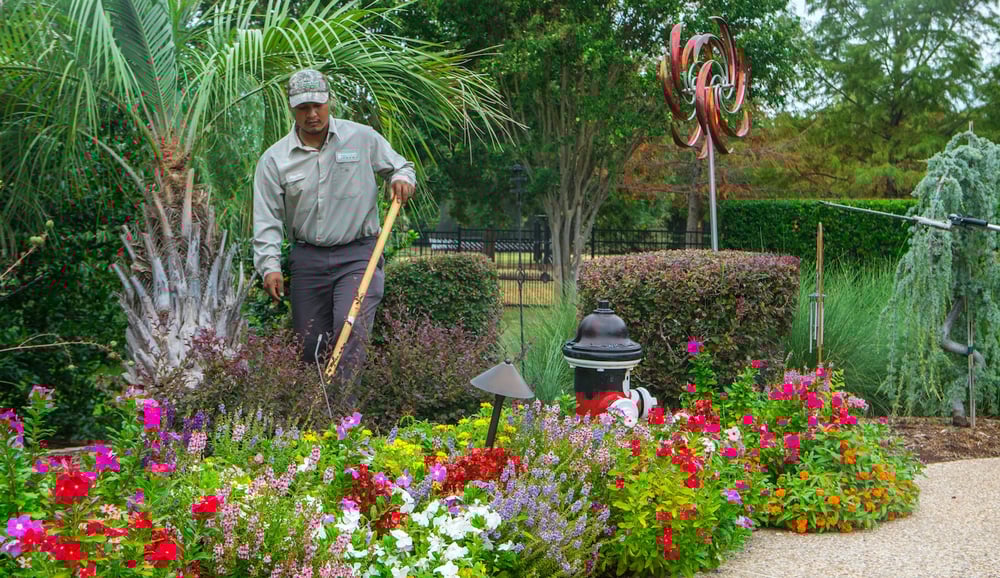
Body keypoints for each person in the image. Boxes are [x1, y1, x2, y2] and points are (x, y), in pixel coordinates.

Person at [252, 68, 415, 382]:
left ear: (329, 102)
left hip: (358, 255)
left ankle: (344, 418)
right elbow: (267, 218)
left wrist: (401, 179)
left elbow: (401, 166)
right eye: (303, 108)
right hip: (308, 260)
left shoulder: (362, 138)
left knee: (349, 327)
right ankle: (316, 416)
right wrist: (269, 265)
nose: (312, 114)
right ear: (292, 108)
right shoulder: (274, 160)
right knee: (309, 344)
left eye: (319, 105)